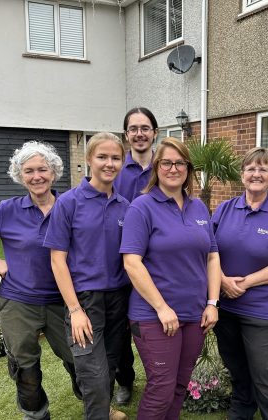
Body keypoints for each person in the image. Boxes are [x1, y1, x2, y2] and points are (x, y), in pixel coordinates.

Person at [0, 141, 80, 420]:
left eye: (42, 169)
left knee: (79, 358)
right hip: (19, 303)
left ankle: (96, 405)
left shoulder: (70, 207)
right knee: (25, 366)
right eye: (29, 171)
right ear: (20, 176)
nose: (37, 176)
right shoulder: (7, 210)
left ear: (54, 172)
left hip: (64, 300)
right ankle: (36, 414)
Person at [120, 137, 221, 420]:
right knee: (161, 387)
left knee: (178, 385)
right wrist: (162, 308)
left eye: (180, 163)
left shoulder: (198, 207)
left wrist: (212, 302)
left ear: (188, 168)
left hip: (194, 314)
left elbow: (212, 256)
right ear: (157, 167)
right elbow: (132, 263)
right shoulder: (142, 207)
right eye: (166, 162)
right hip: (153, 316)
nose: (173, 168)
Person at [44, 133, 129, 420]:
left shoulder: (125, 207)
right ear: (89, 160)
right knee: (91, 372)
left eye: (115, 158)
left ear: (123, 161)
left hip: (118, 299)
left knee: (110, 364)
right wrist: (75, 310)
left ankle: (103, 411)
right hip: (85, 300)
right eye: (102, 157)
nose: (109, 163)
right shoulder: (68, 203)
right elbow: (57, 261)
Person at [211, 147, 268, 420]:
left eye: (263, 169)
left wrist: (245, 283)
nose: (256, 174)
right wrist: (223, 281)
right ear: (242, 174)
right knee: (236, 366)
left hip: (263, 310)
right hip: (226, 308)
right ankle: (242, 409)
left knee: (265, 372)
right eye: (251, 168)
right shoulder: (224, 210)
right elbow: (208, 251)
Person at [113, 106, 159, 405]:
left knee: (158, 320)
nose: (140, 133)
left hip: (158, 259)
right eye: (134, 128)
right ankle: (125, 380)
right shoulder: (115, 168)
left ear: (155, 132)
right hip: (120, 260)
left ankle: (162, 375)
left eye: (145, 127)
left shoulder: (165, 164)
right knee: (119, 329)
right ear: (126, 135)